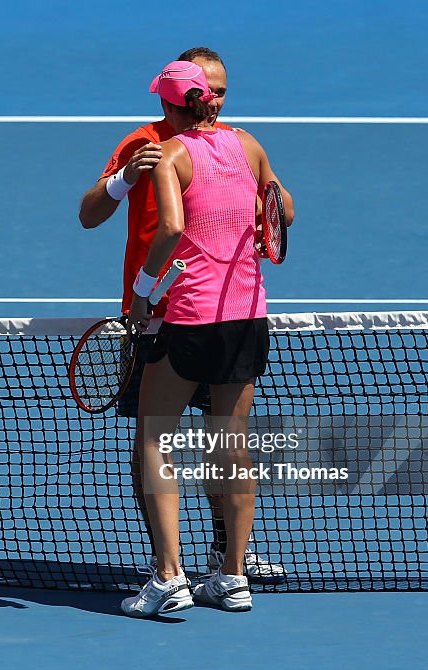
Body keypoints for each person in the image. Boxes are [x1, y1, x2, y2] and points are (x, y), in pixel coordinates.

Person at [79, 47, 287, 586]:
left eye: (221, 91)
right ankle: (172, 563)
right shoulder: (145, 145)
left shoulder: (236, 147)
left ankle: (223, 557)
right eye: (207, 90)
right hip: (156, 322)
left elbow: (280, 211)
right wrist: (123, 179)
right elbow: (89, 215)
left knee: (214, 439)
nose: (213, 99)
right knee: (164, 440)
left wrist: (267, 192)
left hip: (197, 313)